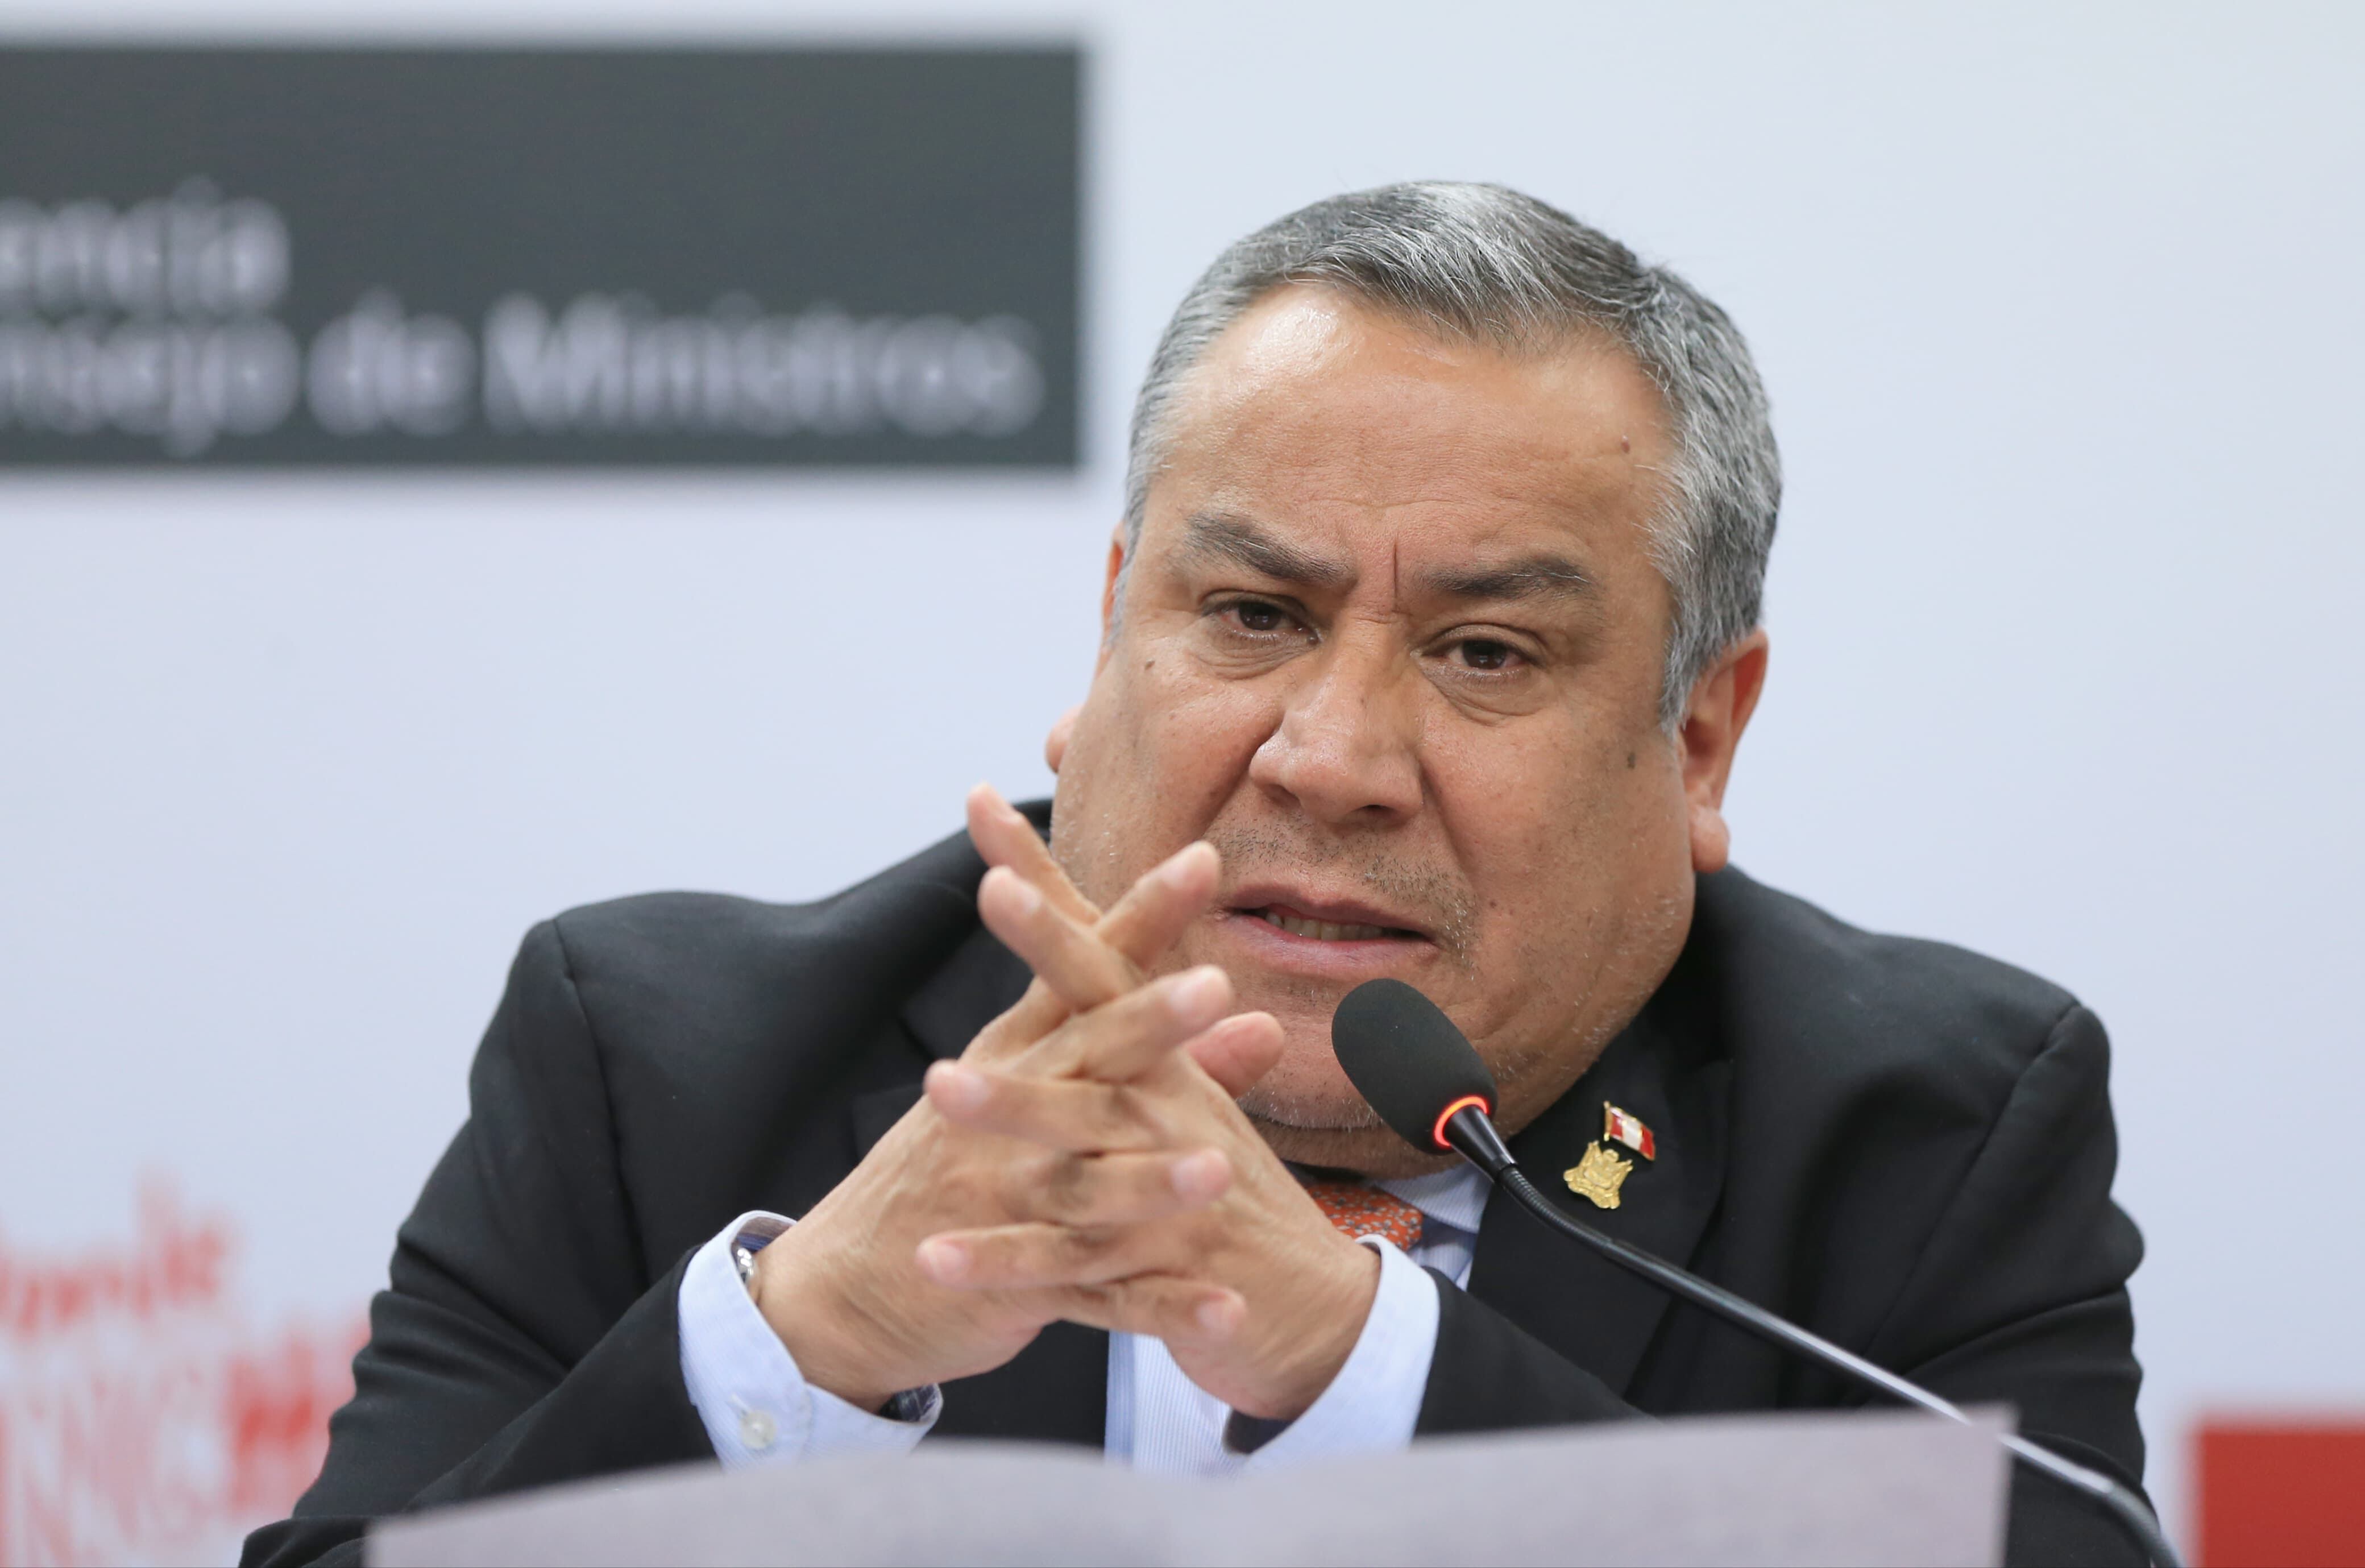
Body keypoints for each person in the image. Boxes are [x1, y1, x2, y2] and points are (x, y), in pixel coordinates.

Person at [246, 183, 2148, 1567]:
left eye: (1486, 653)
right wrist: (797, 1349)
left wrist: (1361, 1371)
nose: (1328, 758)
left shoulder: (1924, 1132)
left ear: (1701, 740)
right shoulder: (659, 1065)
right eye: (1251, 612)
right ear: (1105, 638)